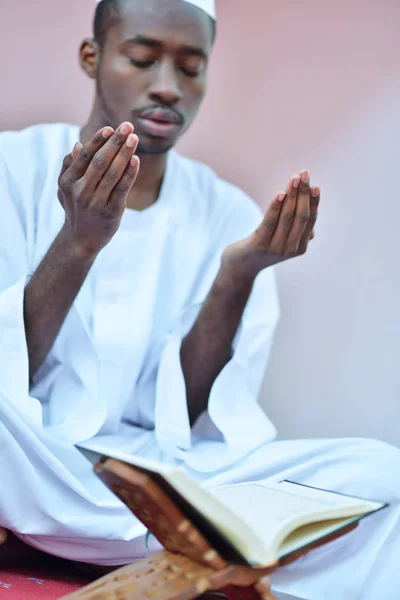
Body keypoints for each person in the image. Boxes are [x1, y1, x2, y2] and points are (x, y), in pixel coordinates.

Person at [0, 0, 399, 598]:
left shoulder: (226, 213)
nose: (167, 87)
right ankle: (193, 539)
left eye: (191, 68)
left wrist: (236, 279)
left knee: (379, 474)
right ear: (92, 57)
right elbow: (12, 373)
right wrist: (77, 243)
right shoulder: (11, 167)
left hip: (164, 480)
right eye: (141, 58)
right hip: (36, 463)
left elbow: (185, 420)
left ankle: (170, 531)